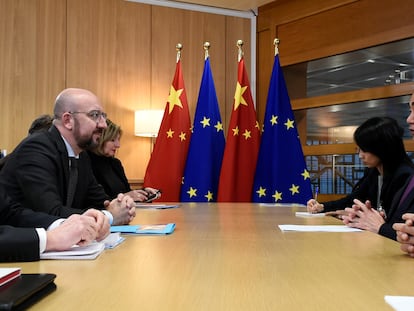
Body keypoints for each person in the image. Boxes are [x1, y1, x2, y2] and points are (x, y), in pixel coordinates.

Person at [0, 88, 135, 225]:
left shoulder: (81, 155)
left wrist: (121, 205)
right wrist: (109, 216)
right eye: (94, 115)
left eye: (103, 116)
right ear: (68, 120)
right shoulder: (36, 149)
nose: (103, 124)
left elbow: (100, 202)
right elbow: (51, 213)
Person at [337, 117, 414, 240]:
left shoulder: (405, 176)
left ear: (381, 148)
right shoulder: (373, 172)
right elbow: (356, 198)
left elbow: (398, 227)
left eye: (365, 149)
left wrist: (378, 224)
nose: (360, 155)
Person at [0, 186, 109, 262]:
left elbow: (10, 213)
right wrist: (50, 238)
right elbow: (50, 207)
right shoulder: (33, 154)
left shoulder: (83, 160)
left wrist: (66, 225)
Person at [87, 119, 161, 202]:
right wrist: (125, 197)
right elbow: (95, 201)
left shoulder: (115, 163)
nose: (118, 145)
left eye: (118, 139)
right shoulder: (86, 162)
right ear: (100, 139)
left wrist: (142, 193)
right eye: (112, 140)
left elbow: (126, 192)